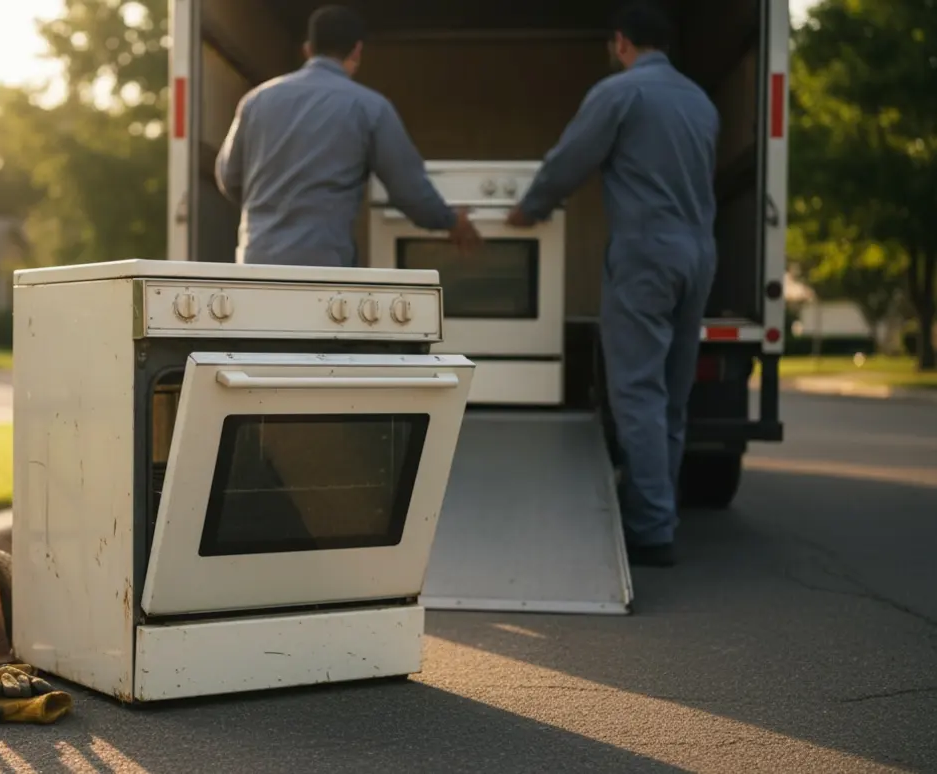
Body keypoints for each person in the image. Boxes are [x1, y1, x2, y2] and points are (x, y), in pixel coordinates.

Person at [505, 1, 720, 568]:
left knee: (638, 391)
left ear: (621, 42)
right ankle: (659, 510)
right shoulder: (699, 100)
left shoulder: (621, 93)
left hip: (647, 253)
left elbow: (569, 161)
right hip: (699, 253)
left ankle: (650, 529)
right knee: (672, 395)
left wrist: (529, 209)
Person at [214, 4, 479, 267]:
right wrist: (452, 221)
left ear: (308, 49)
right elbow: (408, 191)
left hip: (255, 264)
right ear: (357, 51)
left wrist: (272, 205)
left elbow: (228, 178)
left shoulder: (256, 101)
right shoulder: (370, 108)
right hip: (325, 267)